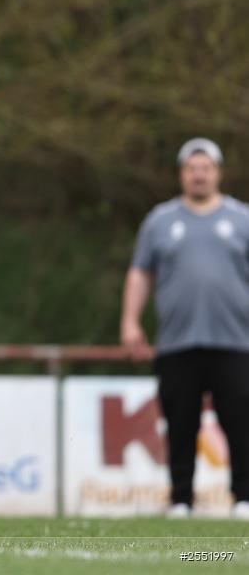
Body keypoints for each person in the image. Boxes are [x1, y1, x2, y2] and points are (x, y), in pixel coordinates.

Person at [121, 137, 249, 520]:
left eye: (206, 168)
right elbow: (140, 273)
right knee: (180, 424)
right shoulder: (160, 221)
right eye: (192, 168)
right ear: (182, 174)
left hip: (235, 341)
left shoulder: (242, 219)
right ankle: (181, 501)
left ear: (217, 173)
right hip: (177, 343)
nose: (199, 175)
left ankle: (243, 498)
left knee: (240, 422)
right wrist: (130, 322)